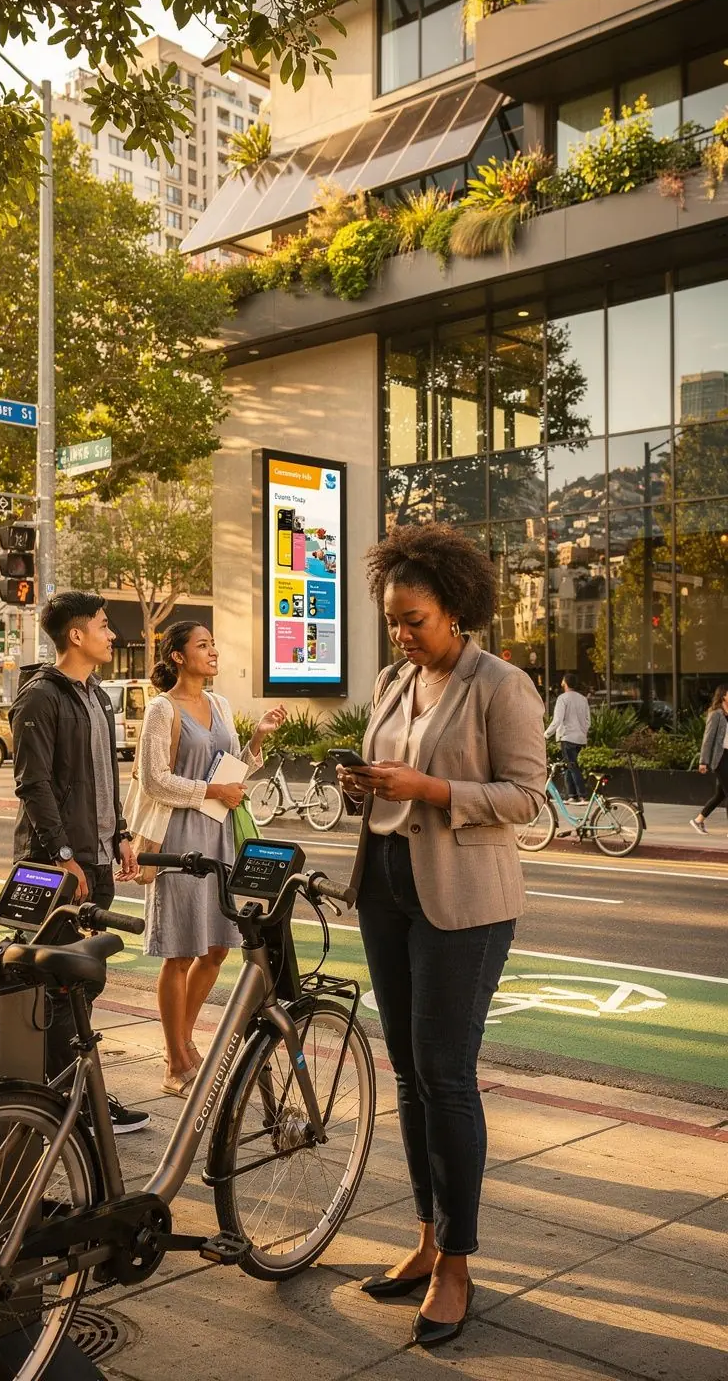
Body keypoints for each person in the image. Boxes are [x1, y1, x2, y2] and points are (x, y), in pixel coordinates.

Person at [337, 522, 545, 1351]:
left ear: (455, 610)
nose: (400, 633)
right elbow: (391, 778)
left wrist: (431, 786)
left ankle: (459, 1262)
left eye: (413, 619)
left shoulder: (502, 685)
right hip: (387, 888)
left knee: (446, 1077)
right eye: (391, 619)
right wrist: (368, 786)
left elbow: (528, 798)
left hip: (464, 901)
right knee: (410, 1076)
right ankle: (425, 1239)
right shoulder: (394, 682)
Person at [9, 591, 148, 1135]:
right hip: (58, 868)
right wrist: (62, 856)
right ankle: (71, 1103)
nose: (111, 635)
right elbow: (33, 784)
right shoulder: (40, 698)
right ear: (76, 635)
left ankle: (69, 1095)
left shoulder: (99, 697)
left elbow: (105, 776)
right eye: (104, 625)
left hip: (97, 860)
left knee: (85, 985)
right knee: (62, 989)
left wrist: (123, 834)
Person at [138, 620, 285, 1095]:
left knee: (218, 947)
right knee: (180, 951)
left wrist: (258, 739)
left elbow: (233, 770)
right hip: (181, 841)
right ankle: (174, 1058)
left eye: (213, 643)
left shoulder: (220, 704)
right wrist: (210, 788)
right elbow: (154, 779)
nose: (213, 650)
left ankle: (184, 1040)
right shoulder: (163, 710)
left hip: (221, 834)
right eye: (203, 645)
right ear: (178, 656)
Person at [544, 673, 590, 802]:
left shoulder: (563, 699)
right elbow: (588, 721)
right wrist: (582, 732)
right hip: (580, 739)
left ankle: (582, 795)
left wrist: (546, 734)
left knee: (572, 766)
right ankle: (572, 795)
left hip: (567, 737)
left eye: (563, 681)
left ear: (565, 683)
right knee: (570, 765)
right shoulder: (583, 699)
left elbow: (557, 720)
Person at [690, 684, 728, 835]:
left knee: (721, 794)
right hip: (721, 758)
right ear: (723, 695)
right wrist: (703, 761)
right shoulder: (716, 714)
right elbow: (708, 739)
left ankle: (698, 820)